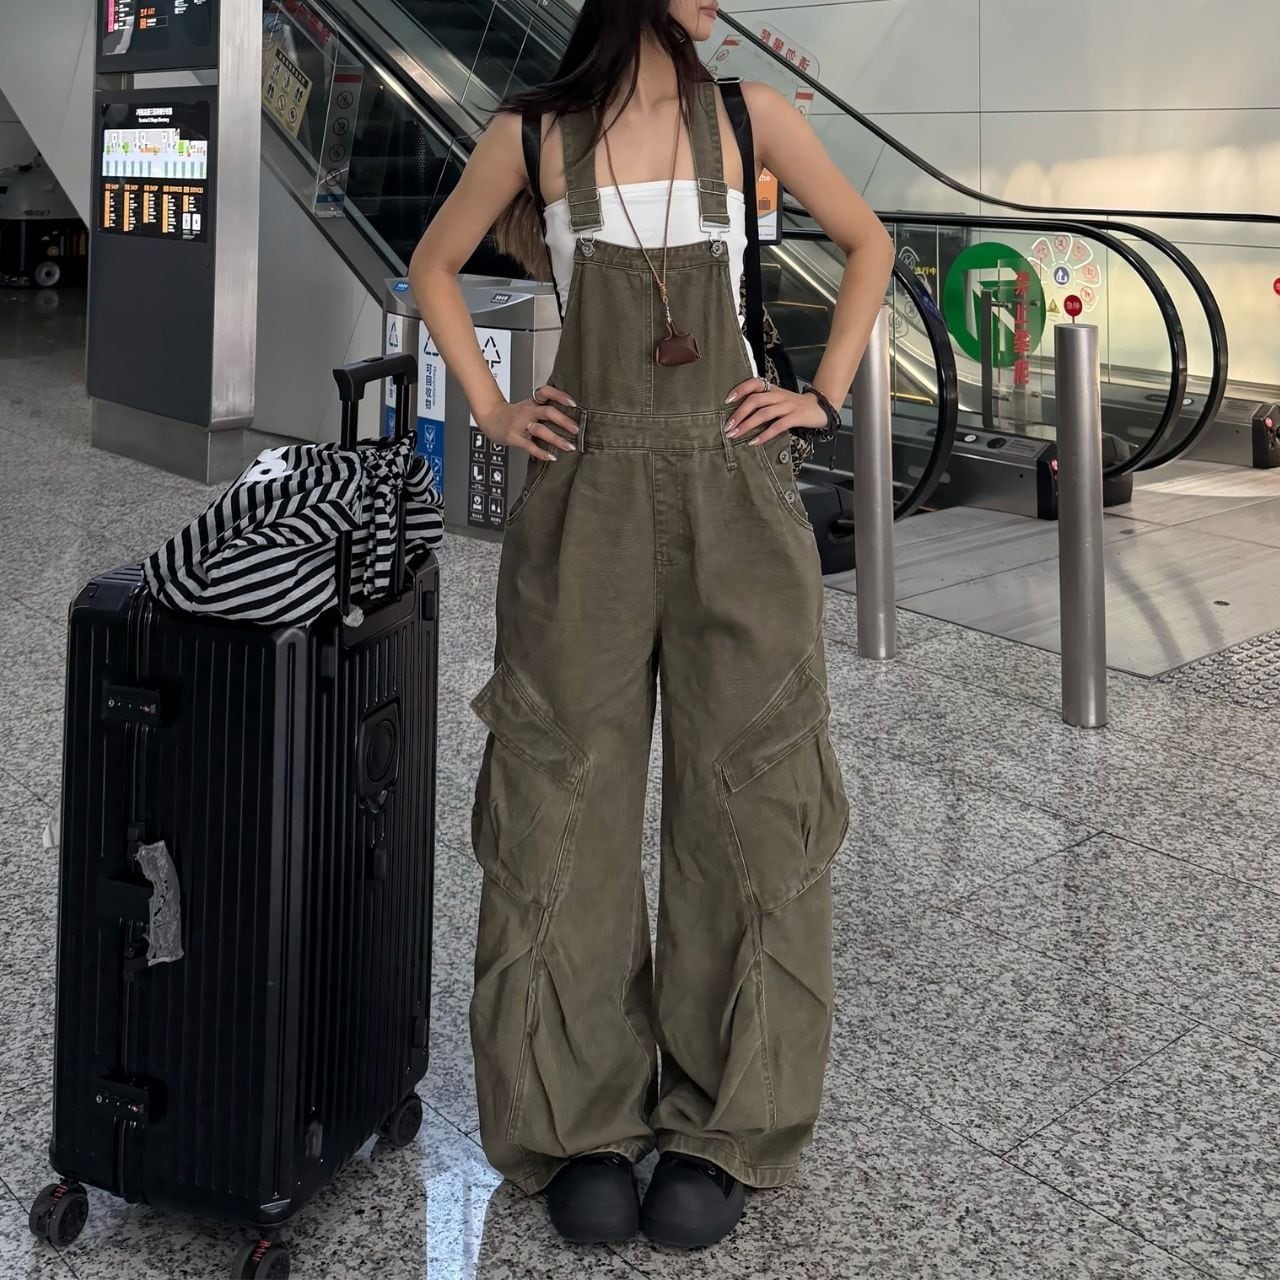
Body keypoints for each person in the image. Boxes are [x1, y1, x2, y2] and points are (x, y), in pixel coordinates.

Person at [408, 0, 895, 1251]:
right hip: (583, 510)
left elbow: (868, 243)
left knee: (751, 797)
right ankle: (572, 1122)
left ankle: (727, 1121)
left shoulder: (748, 117)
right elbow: (431, 267)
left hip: (736, 500)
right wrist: (494, 410)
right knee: (560, 798)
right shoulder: (533, 135)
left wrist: (819, 393)